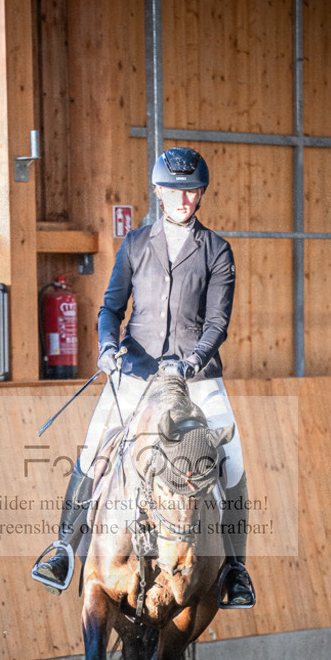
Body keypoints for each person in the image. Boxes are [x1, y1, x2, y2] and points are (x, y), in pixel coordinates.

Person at [31, 146, 255, 608]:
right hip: (135, 371)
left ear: (201, 194)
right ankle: (62, 549)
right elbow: (111, 306)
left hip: (196, 377)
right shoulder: (135, 244)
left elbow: (217, 323)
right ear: (158, 191)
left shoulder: (217, 251)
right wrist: (109, 347)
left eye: (192, 191)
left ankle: (236, 567)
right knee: (95, 446)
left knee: (231, 459)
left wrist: (191, 361)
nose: (184, 200)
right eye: (175, 191)